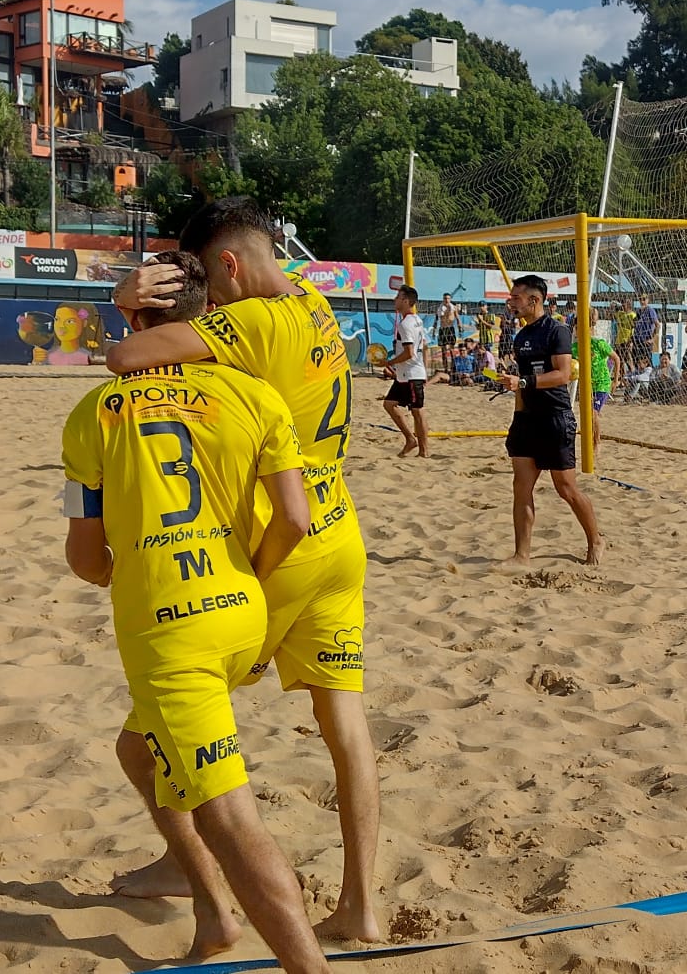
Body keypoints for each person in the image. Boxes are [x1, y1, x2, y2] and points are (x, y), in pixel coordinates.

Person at [106, 197, 380, 943]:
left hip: (283, 549)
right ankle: (362, 904)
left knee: (147, 736)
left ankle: (185, 863)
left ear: (229, 265)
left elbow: (126, 359)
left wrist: (123, 301)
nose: (214, 302)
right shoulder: (316, 305)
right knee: (346, 724)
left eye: (215, 287)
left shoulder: (253, 320)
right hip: (340, 531)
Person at [62, 252, 330, 971]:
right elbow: (296, 519)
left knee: (232, 818)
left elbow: (86, 561)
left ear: (138, 318)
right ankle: (212, 911)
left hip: (171, 631)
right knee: (136, 749)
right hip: (245, 614)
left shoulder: (92, 414)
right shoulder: (255, 393)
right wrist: (250, 572)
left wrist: (127, 568)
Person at [497, 274, 603, 566]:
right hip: (527, 419)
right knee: (521, 487)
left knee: (565, 488)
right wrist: (516, 419)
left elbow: (563, 375)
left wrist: (524, 383)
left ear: (535, 299)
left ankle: (595, 539)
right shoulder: (521, 336)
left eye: (516, 297)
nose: (511, 303)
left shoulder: (557, 331)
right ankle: (522, 555)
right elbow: (521, 383)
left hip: (555, 418)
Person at [384, 284, 429, 457]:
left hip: (412, 375)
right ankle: (410, 439)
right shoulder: (417, 320)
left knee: (418, 412)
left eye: (398, 297)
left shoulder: (406, 324)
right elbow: (423, 346)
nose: (395, 299)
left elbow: (409, 353)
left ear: (405, 300)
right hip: (407, 374)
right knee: (389, 404)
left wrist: (389, 362)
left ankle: (424, 451)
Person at [570, 307, 620, 452]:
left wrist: (615, 380)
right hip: (586, 385)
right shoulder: (574, 348)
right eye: (576, 328)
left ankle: (596, 442)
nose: (576, 331)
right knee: (587, 414)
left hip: (602, 383)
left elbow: (616, 359)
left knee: (593, 413)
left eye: (579, 328)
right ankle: (592, 440)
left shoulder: (598, 344)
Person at [630, 294, 660, 364]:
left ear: (647, 300)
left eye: (644, 299)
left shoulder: (650, 310)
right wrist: (631, 339)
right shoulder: (638, 312)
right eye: (640, 299)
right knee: (636, 362)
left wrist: (653, 339)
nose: (642, 301)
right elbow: (634, 326)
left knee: (646, 362)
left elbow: (657, 325)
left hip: (646, 341)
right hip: (637, 341)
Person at [435, 293, 458, 373]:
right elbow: (437, 319)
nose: (447, 300)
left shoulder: (453, 307)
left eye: (448, 298)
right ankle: (445, 368)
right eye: (445, 298)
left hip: (450, 329)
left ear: (450, 299)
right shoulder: (440, 308)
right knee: (443, 351)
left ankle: (453, 367)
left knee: (452, 350)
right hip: (442, 329)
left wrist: (460, 325)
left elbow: (457, 317)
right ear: (443, 299)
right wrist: (434, 330)